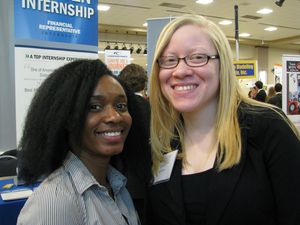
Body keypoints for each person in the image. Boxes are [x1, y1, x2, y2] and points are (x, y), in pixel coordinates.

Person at [147, 14, 300, 225]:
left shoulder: (268, 128)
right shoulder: (161, 142)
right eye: (169, 60)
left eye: (198, 57)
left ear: (222, 65)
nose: (180, 71)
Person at [17, 59, 141, 225]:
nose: (114, 116)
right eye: (95, 107)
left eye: (120, 105)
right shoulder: (55, 202)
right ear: (67, 118)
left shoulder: (117, 185)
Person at [117, 63, 151, 225]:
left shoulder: (117, 110)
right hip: (148, 179)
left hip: (121, 178)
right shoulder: (153, 108)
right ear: (144, 83)